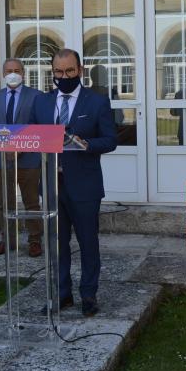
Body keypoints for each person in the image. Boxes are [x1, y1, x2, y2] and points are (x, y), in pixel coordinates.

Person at [31, 49, 117, 316]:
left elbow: (110, 140)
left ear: (80, 70)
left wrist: (87, 144)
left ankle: (88, 295)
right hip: (52, 183)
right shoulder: (42, 102)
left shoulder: (97, 102)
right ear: (52, 72)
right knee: (57, 243)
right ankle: (62, 294)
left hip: (84, 185)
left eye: (69, 71)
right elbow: (33, 136)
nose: (64, 76)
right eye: (58, 72)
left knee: (88, 242)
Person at [0, 58, 44, 257]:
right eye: (9, 70)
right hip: (2, 159)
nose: (13, 74)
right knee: (5, 202)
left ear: (23, 73)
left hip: (29, 159)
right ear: (3, 74)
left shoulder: (36, 96)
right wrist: (6, 148)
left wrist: (20, 147)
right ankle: (7, 240)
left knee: (31, 202)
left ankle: (35, 240)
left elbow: (39, 126)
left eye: (17, 70)